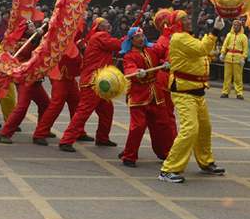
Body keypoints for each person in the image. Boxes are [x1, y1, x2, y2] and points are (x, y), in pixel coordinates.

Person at [158, 14, 227, 183]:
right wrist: (215, 31)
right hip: (184, 91)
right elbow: (202, 49)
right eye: (185, 19)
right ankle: (169, 169)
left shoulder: (189, 38)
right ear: (177, 24)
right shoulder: (180, 38)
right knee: (190, 129)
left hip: (198, 91)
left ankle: (205, 161)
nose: (190, 20)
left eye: (189, 18)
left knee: (205, 128)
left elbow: (201, 53)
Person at [59, 17, 120, 152]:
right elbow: (117, 45)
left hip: (100, 82)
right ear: (99, 27)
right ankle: (66, 140)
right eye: (106, 24)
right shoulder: (100, 36)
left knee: (107, 110)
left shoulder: (97, 37)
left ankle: (102, 138)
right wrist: (129, 37)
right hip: (93, 82)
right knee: (83, 111)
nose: (109, 25)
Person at [120, 27, 174, 167]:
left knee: (163, 125)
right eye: (138, 37)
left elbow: (162, 55)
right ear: (131, 40)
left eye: (142, 36)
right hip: (139, 94)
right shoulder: (129, 55)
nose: (141, 38)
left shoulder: (151, 50)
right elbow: (129, 68)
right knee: (138, 127)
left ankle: (165, 152)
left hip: (156, 93)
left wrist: (165, 64)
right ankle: (129, 156)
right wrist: (136, 71)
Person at [0, 20, 51, 143]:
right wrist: (36, 38)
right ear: (25, 30)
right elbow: (28, 50)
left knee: (45, 104)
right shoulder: (20, 43)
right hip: (25, 80)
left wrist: (47, 25)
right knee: (22, 107)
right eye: (31, 26)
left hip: (35, 80)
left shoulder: (36, 37)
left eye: (33, 25)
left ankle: (41, 131)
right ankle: (5, 133)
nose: (34, 27)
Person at [32, 30, 86, 146]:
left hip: (69, 76)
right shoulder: (54, 35)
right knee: (56, 105)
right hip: (59, 75)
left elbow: (78, 33)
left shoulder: (69, 34)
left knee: (76, 102)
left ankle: (79, 131)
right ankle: (40, 133)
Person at [220, 20, 249, 99]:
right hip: (228, 57)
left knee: (238, 77)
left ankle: (239, 93)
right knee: (227, 77)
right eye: (234, 25)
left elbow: (245, 49)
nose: (235, 26)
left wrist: (243, 58)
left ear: (240, 27)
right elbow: (225, 45)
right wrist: (222, 53)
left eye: (237, 25)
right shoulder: (229, 35)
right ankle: (225, 92)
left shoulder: (243, 37)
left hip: (238, 58)